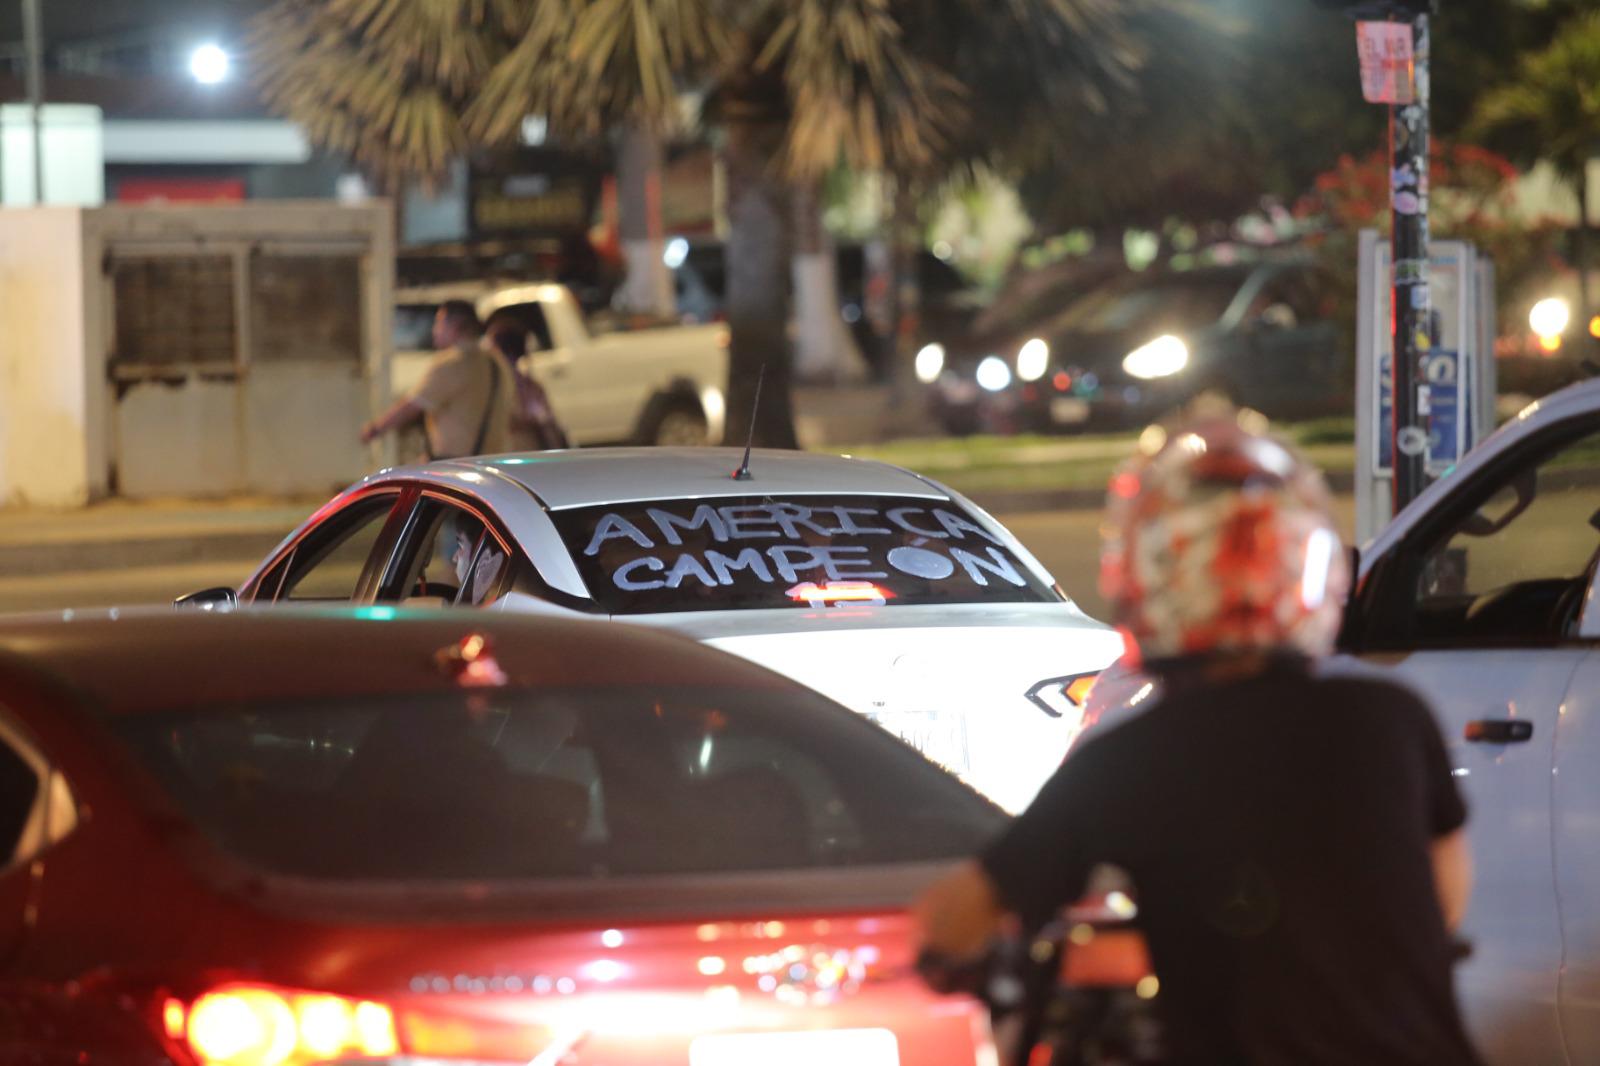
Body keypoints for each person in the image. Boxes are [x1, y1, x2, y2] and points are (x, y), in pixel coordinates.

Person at [915, 408, 1482, 1066]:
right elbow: (1444, 894)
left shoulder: (1128, 759)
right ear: (1310, 570)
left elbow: (959, 917)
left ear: (1144, 578)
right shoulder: (1392, 718)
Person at [361, 300, 515, 460]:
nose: (435, 331)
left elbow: (412, 406)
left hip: (454, 463)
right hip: (493, 463)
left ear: (454, 326)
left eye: (439, 323)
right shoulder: (498, 362)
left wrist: (374, 430)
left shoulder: (453, 362)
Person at [484, 321, 571, 452]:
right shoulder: (529, 384)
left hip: (515, 452)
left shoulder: (501, 383)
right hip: (531, 453)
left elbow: (540, 418)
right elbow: (546, 419)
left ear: (497, 349)